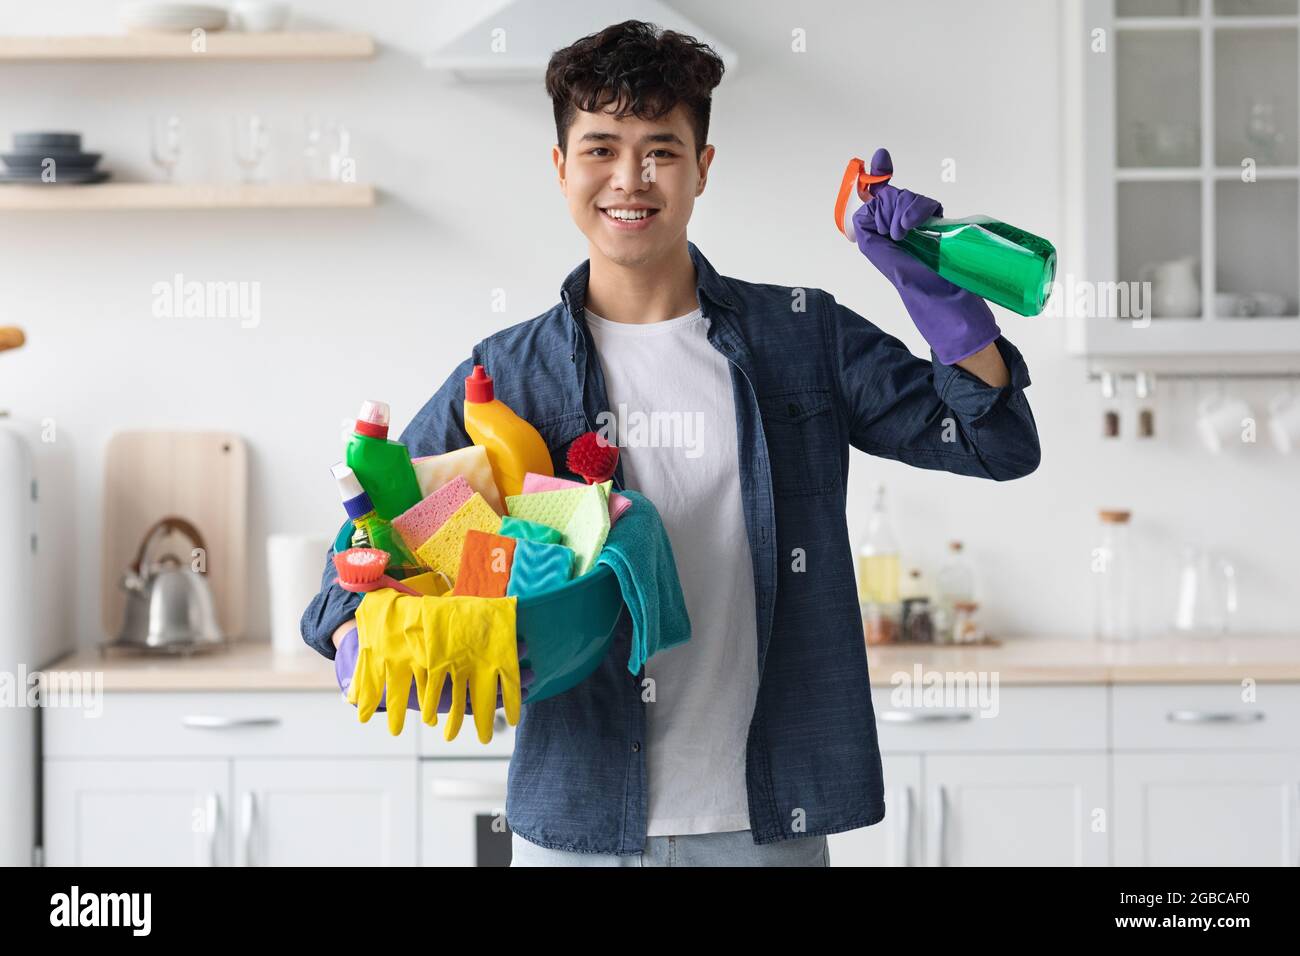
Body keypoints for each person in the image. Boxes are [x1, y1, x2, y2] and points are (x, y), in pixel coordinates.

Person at [302, 19, 1040, 867]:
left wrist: (941, 300)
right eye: (601, 149)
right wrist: (363, 633)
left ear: (702, 168)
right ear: (560, 167)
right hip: (580, 826)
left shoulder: (803, 336)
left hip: (766, 828)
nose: (630, 178)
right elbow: (366, 552)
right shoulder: (504, 378)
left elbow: (994, 443)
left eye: (660, 150)